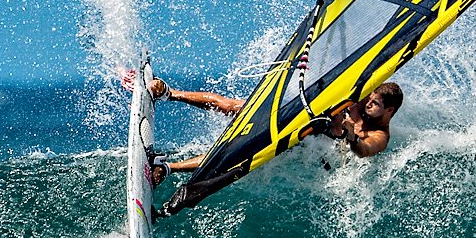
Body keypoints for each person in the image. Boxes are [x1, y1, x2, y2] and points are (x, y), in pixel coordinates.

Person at [122, 71, 402, 183]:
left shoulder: (380, 135)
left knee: (238, 151)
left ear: (389, 111)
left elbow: (365, 151)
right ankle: (169, 93)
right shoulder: (363, 98)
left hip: (311, 146)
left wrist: (351, 135)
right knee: (235, 107)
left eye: (375, 104)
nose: (368, 105)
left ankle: (168, 169)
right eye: (370, 99)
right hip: (303, 117)